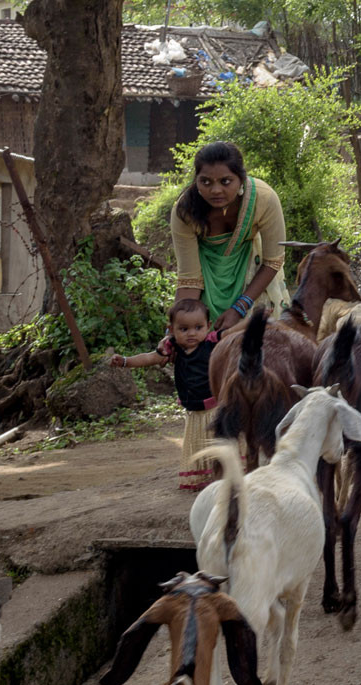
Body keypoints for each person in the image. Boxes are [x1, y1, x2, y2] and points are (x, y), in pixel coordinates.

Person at [170, 141, 289, 332]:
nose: (215, 190)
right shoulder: (185, 211)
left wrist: (239, 307)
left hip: (254, 276)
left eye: (225, 181)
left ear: (241, 179)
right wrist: (175, 332)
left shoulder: (264, 198)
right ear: (196, 180)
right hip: (206, 280)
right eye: (206, 182)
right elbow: (189, 279)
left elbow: (273, 261)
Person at [109, 299, 219, 491]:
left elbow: (237, 333)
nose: (191, 333)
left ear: (208, 327)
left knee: (220, 442)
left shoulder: (212, 343)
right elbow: (150, 358)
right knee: (199, 444)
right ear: (171, 330)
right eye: (184, 329)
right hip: (194, 410)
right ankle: (205, 479)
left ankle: (224, 477)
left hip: (216, 407)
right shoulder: (172, 348)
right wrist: (126, 361)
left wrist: (258, 319)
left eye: (198, 327)